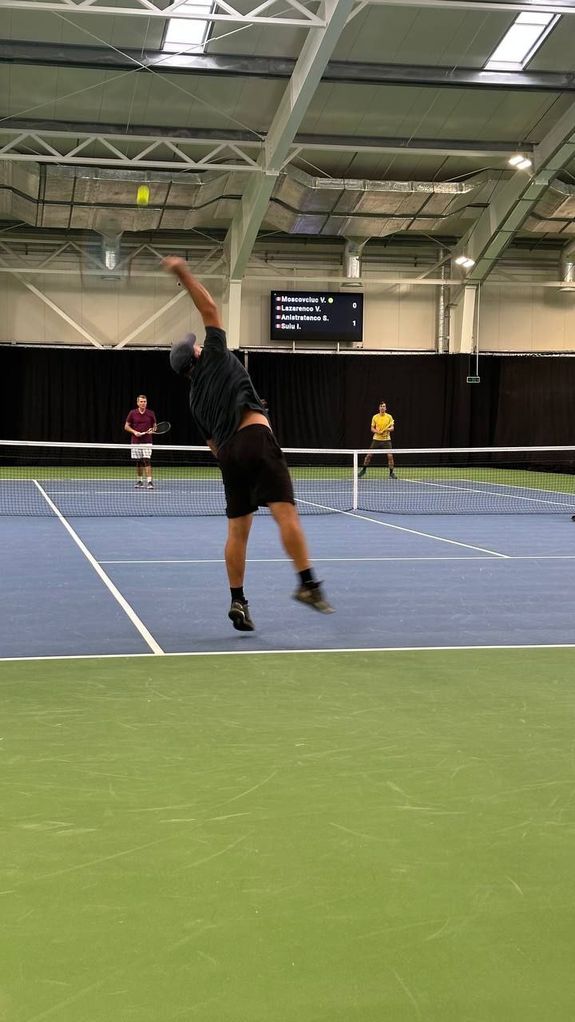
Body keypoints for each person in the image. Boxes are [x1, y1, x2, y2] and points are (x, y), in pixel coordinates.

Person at [163, 256, 334, 632]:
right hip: (255, 440)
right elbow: (209, 307)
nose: (198, 345)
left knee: (237, 532)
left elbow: (213, 445)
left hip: (228, 457)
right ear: (196, 355)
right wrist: (183, 273)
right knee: (286, 515)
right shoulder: (215, 355)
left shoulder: (194, 399)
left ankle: (237, 599)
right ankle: (308, 584)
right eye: (195, 346)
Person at [124, 394, 157, 488]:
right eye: (141, 401)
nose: (143, 403)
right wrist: (134, 432)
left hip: (147, 441)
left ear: (146, 403)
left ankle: (149, 482)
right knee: (138, 461)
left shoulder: (151, 413)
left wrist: (152, 429)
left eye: (144, 401)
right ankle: (139, 481)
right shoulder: (132, 413)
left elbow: (155, 426)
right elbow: (126, 426)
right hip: (136, 441)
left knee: (147, 460)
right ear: (138, 403)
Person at [358, 400, 397, 478]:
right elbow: (372, 428)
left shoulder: (389, 417)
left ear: (386, 408)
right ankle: (364, 470)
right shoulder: (375, 417)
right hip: (376, 439)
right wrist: (377, 432)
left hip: (386, 440)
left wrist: (387, 429)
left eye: (384, 406)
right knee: (369, 455)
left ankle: (391, 473)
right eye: (381, 406)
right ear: (379, 408)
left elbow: (392, 428)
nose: (382, 408)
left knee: (390, 456)